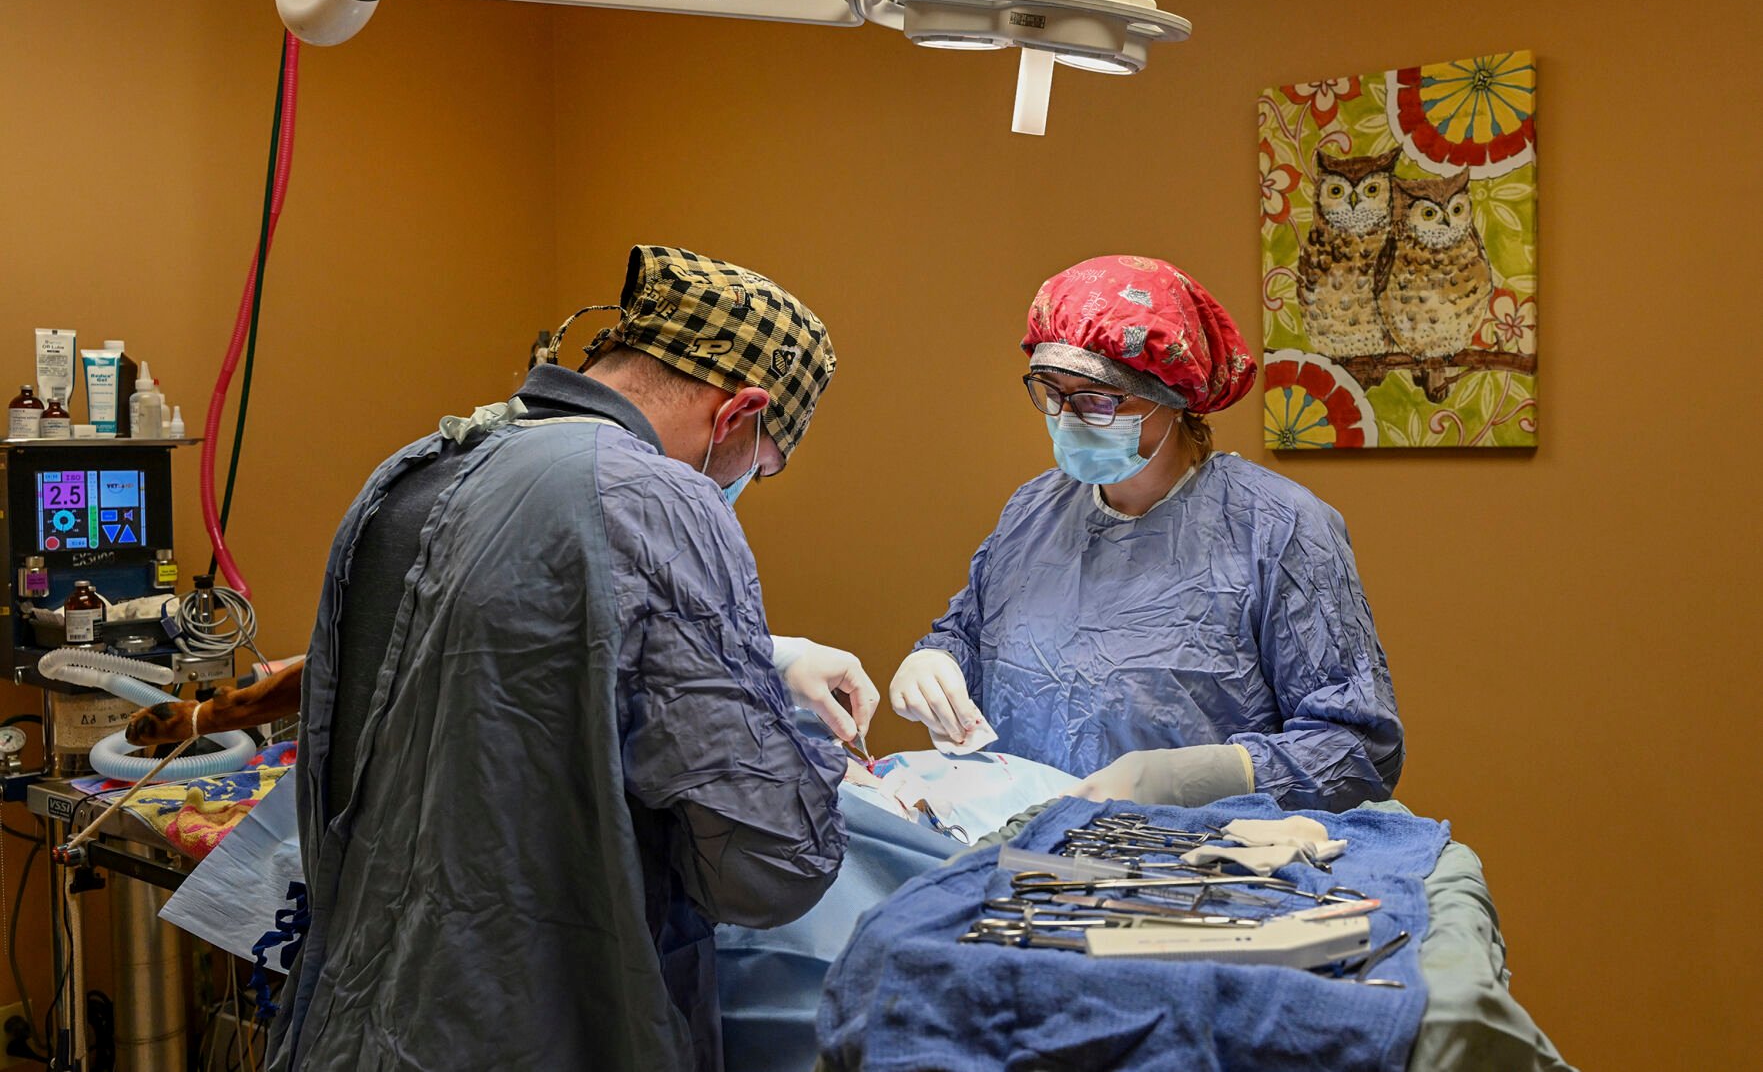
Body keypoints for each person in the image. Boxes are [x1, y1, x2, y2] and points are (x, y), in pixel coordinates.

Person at [269, 245, 877, 1072]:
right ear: (739, 412)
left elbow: (513, 664)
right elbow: (768, 868)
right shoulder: (659, 494)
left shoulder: (417, 467)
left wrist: (760, 657)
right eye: (758, 468)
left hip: (354, 1027)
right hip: (535, 1032)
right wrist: (801, 751)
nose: (742, 486)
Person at [888, 254, 1403, 813]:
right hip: (1028, 850)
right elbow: (966, 634)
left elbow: (1356, 750)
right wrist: (936, 662)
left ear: (1172, 396)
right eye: (1050, 393)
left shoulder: (1279, 529)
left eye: (1097, 399)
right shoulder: (1031, 512)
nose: (1066, 419)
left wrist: (1204, 776)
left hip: (1195, 863)